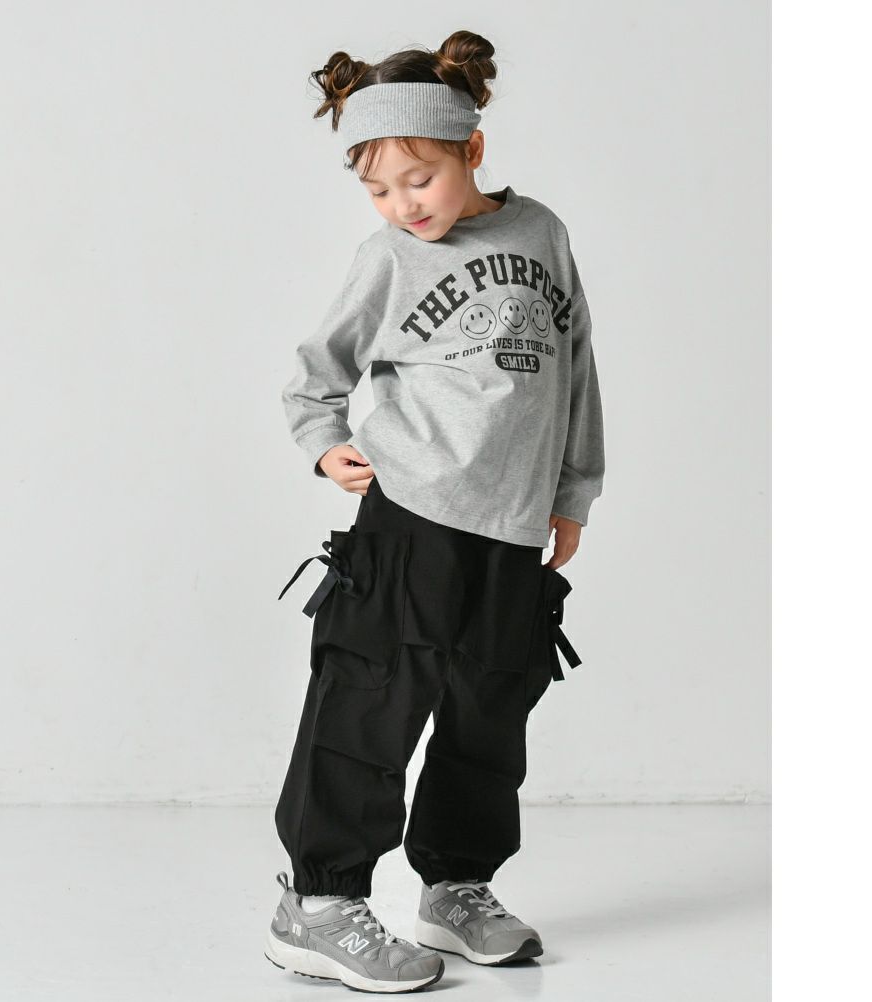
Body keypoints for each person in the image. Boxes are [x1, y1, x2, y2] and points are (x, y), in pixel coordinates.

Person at [264, 29, 605, 994]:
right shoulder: (387, 258)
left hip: (514, 525)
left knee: (489, 712)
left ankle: (455, 886)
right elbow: (317, 372)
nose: (403, 204)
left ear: (472, 150)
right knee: (370, 700)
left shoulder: (541, 234)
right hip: (411, 514)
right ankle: (317, 902)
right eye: (378, 188)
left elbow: (577, 366)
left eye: (420, 178)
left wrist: (573, 490)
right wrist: (323, 440)